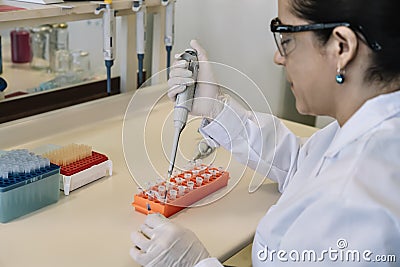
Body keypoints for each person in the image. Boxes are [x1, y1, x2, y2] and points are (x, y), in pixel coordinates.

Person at [130, 0, 400, 265]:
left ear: (341, 47)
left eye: (287, 39)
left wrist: (195, 263)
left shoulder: (354, 203)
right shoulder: (374, 131)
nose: (278, 57)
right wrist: (217, 109)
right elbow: (303, 166)